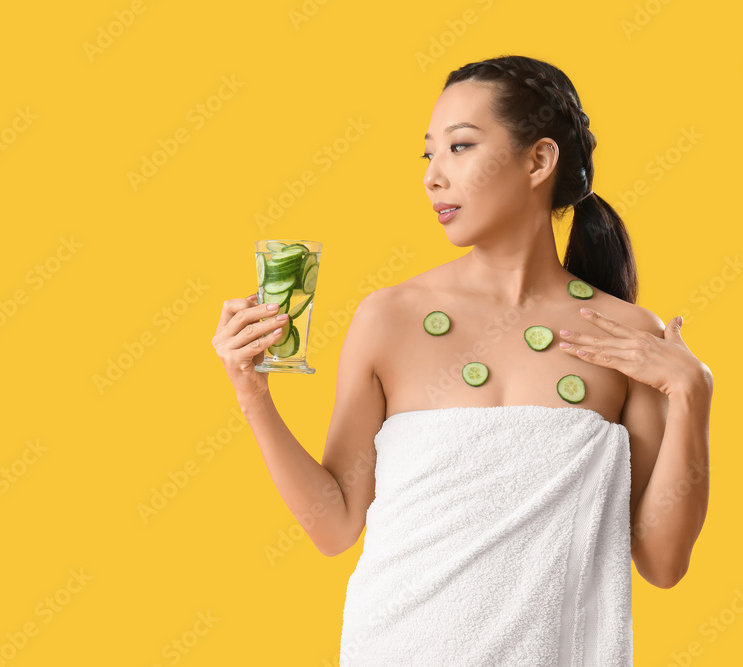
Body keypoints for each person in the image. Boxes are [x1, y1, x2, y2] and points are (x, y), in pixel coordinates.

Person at [211, 54, 712, 664]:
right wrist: (252, 393)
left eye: (460, 147)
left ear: (539, 160)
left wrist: (691, 395)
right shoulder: (387, 318)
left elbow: (662, 562)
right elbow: (335, 525)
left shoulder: (626, 335)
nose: (433, 176)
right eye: (429, 154)